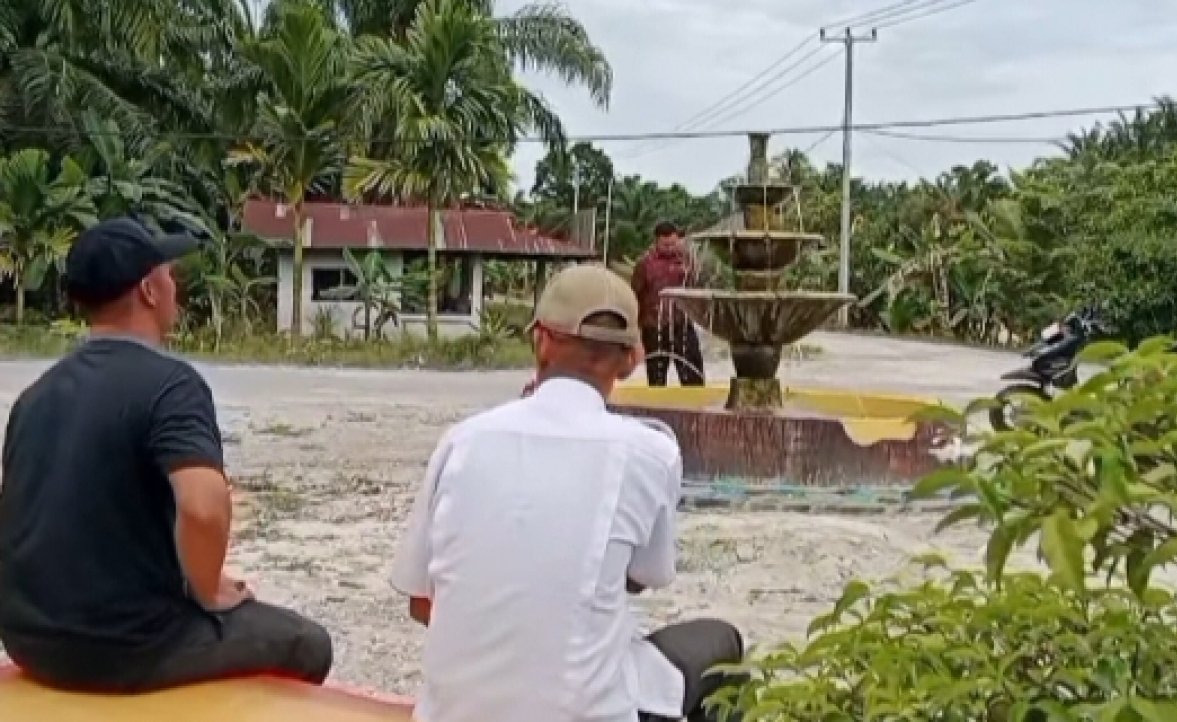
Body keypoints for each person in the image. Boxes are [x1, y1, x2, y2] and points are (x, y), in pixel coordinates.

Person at [391, 263, 745, 722]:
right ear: (633, 358)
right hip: (586, 711)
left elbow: (421, 603)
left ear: (540, 339)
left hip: (450, 713)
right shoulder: (650, 453)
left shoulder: (463, 441)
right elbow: (649, 575)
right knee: (721, 644)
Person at [0, 218, 332, 692]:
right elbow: (201, 506)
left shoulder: (36, 395)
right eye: (170, 275)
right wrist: (206, 588)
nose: (176, 287)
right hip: (124, 648)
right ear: (149, 291)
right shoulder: (172, 386)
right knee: (306, 642)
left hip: (26, 638)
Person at [631, 221, 706, 387]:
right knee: (656, 375)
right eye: (666, 245)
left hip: (683, 324)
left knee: (693, 373)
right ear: (656, 242)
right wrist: (635, 326)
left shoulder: (687, 260)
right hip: (654, 326)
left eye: (674, 243)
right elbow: (634, 294)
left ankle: (695, 408)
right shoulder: (644, 263)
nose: (671, 247)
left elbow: (699, 288)